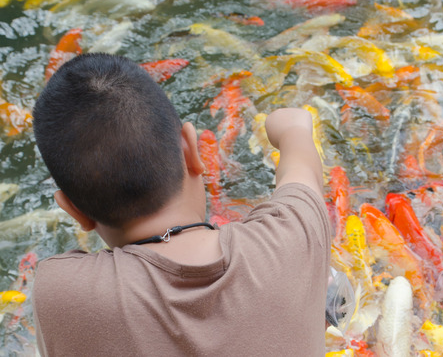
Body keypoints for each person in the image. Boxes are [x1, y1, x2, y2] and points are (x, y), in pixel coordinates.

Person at [32, 53, 331, 356]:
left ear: (73, 209)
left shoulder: (58, 293)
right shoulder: (292, 236)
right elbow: (301, 169)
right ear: (191, 149)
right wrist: (292, 129)